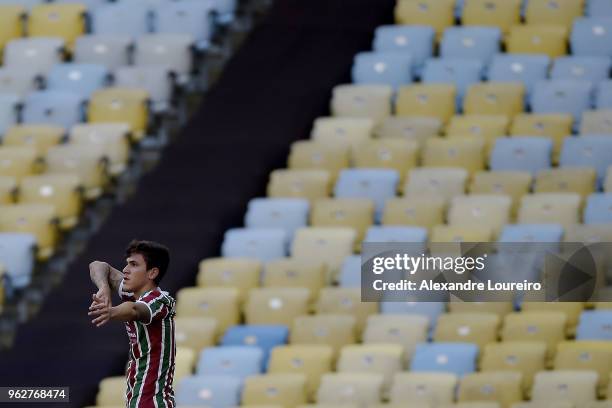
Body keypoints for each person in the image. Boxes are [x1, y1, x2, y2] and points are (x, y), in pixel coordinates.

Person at [88, 239, 176, 408]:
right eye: (127, 264)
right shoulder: (133, 292)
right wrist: (104, 287)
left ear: (152, 273)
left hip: (151, 402)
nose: (125, 270)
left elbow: (135, 310)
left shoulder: (160, 301)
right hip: (140, 399)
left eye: (134, 265)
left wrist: (111, 311)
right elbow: (98, 265)